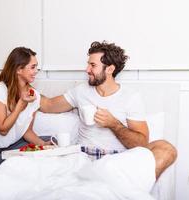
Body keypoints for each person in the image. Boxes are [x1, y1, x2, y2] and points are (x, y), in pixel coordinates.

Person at [40, 41, 177, 179]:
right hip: (85, 158)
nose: (87, 70)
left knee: (167, 149)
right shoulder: (80, 92)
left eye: (93, 65)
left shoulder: (130, 97)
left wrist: (113, 124)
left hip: (118, 161)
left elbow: (141, 144)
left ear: (110, 69)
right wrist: (23, 88)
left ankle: (123, 185)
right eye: (88, 64)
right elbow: (48, 105)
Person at [0, 47, 51, 167]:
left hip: (9, 148)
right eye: (32, 67)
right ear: (18, 69)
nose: (36, 71)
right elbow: (3, 129)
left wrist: (45, 145)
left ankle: (13, 159)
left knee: (52, 140)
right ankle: (17, 159)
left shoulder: (33, 95)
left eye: (36, 66)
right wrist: (20, 106)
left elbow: (26, 131)